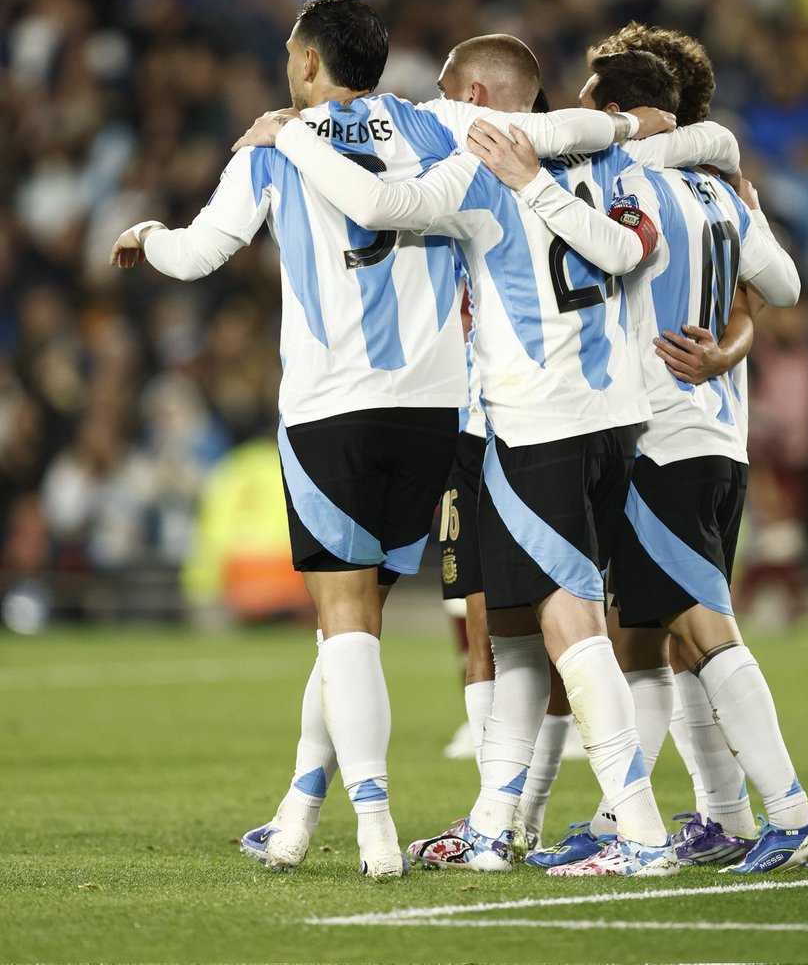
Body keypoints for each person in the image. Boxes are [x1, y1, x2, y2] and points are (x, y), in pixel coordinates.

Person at [109, 0, 673, 880]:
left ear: (307, 63)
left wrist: (146, 234)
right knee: (367, 622)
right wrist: (639, 123)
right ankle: (302, 809)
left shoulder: (275, 147)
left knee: (348, 625)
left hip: (338, 406)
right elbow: (559, 128)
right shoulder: (438, 123)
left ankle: (377, 826)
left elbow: (198, 255)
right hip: (437, 413)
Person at [231, 49, 742, 878]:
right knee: (512, 633)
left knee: (570, 627)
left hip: (537, 423)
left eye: (445, 101)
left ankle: (642, 831)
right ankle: (499, 822)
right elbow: (638, 235)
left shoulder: (477, 174)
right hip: (613, 423)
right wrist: (638, 128)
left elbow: (378, 201)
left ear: (474, 103)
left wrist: (289, 137)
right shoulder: (612, 164)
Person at [489, 31, 808, 877]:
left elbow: (612, 229)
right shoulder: (720, 190)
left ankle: (793, 814)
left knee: (703, 632)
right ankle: (642, 820)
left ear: (616, 113)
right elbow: (784, 286)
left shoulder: (629, 176)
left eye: (590, 106)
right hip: (721, 438)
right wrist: (740, 194)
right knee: (643, 637)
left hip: (661, 438)